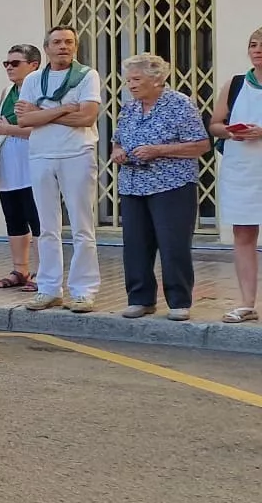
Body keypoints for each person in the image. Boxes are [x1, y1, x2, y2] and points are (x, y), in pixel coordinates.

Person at [111, 54, 210, 321]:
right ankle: (140, 299)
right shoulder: (129, 108)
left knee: (172, 245)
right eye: (128, 80)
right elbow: (116, 142)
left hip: (172, 184)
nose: (130, 85)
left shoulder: (180, 104)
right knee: (135, 245)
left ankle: (179, 301)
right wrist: (118, 151)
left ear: (157, 79)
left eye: (136, 79)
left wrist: (159, 150)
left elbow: (201, 145)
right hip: (133, 184)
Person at [18, 25, 102, 313]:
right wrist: (65, 109)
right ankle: (49, 289)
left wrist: (43, 114)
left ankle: (83, 290)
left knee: (82, 224)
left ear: (75, 46)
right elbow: (24, 121)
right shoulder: (32, 79)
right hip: (41, 154)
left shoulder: (87, 75)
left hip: (77, 153)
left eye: (69, 42)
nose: (63, 46)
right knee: (46, 226)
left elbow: (87, 116)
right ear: (47, 48)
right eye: (57, 42)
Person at [209, 27, 262, 324]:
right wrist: (229, 131)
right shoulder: (237, 84)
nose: (257, 50)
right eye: (253, 44)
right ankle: (246, 303)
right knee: (243, 235)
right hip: (242, 167)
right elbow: (215, 123)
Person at [0, 45, 44, 292]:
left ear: (33, 65)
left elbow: (42, 129)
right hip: (9, 162)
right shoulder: (7, 91)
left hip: (32, 161)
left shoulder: (41, 92)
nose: (9, 67)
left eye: (15, 63)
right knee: (14, 217)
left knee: (38, 219)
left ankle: (45, 272)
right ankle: (20, 269)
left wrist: (8, 129)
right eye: (6, 63)